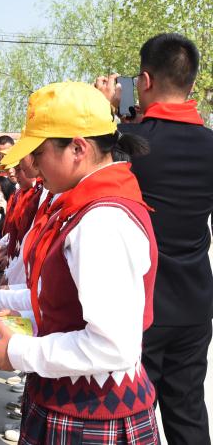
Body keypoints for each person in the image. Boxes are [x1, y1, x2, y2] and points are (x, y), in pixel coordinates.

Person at [0, 82, 159, 444]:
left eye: (39, 152)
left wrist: (17, 351)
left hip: (92, 414)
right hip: (73, 401)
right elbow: (52, 297)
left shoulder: (102, 221)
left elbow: (112, 346)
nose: (32, 166)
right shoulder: (83, 207)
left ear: (78, 148)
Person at [95, 33, 213, 445]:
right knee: (188, 415)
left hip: (140, 306)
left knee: (128, 416)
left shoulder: (133, 145)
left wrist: (107, 110)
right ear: (192, 84)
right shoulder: (209, 144)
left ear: (143, 80)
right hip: (195, 303)